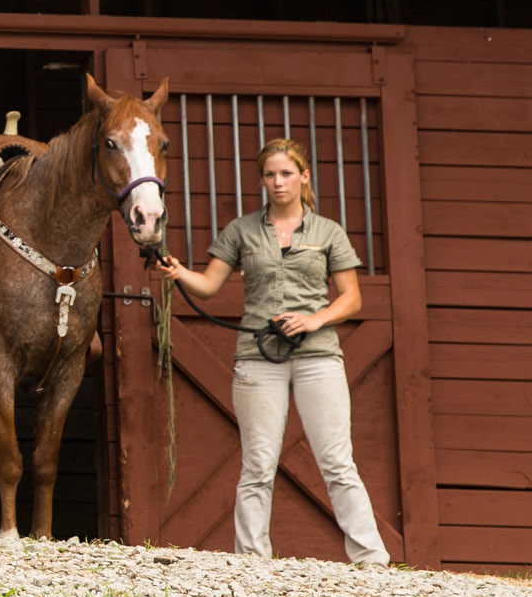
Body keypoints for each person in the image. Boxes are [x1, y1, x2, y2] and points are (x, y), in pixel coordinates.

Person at [156, 137, 388, 566]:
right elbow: (208, 286)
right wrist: (179, 272)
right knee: (259, 462)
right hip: (258, 356)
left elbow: (351, 299)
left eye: (286, 173)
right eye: (270, 174)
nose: (278, 182)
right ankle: (251, 561)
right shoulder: (242, 230)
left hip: (318, 356)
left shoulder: (327, 232)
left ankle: (371, 559)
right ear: (261, 179)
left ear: (303, 176)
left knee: (336, 459)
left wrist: (315, 319)